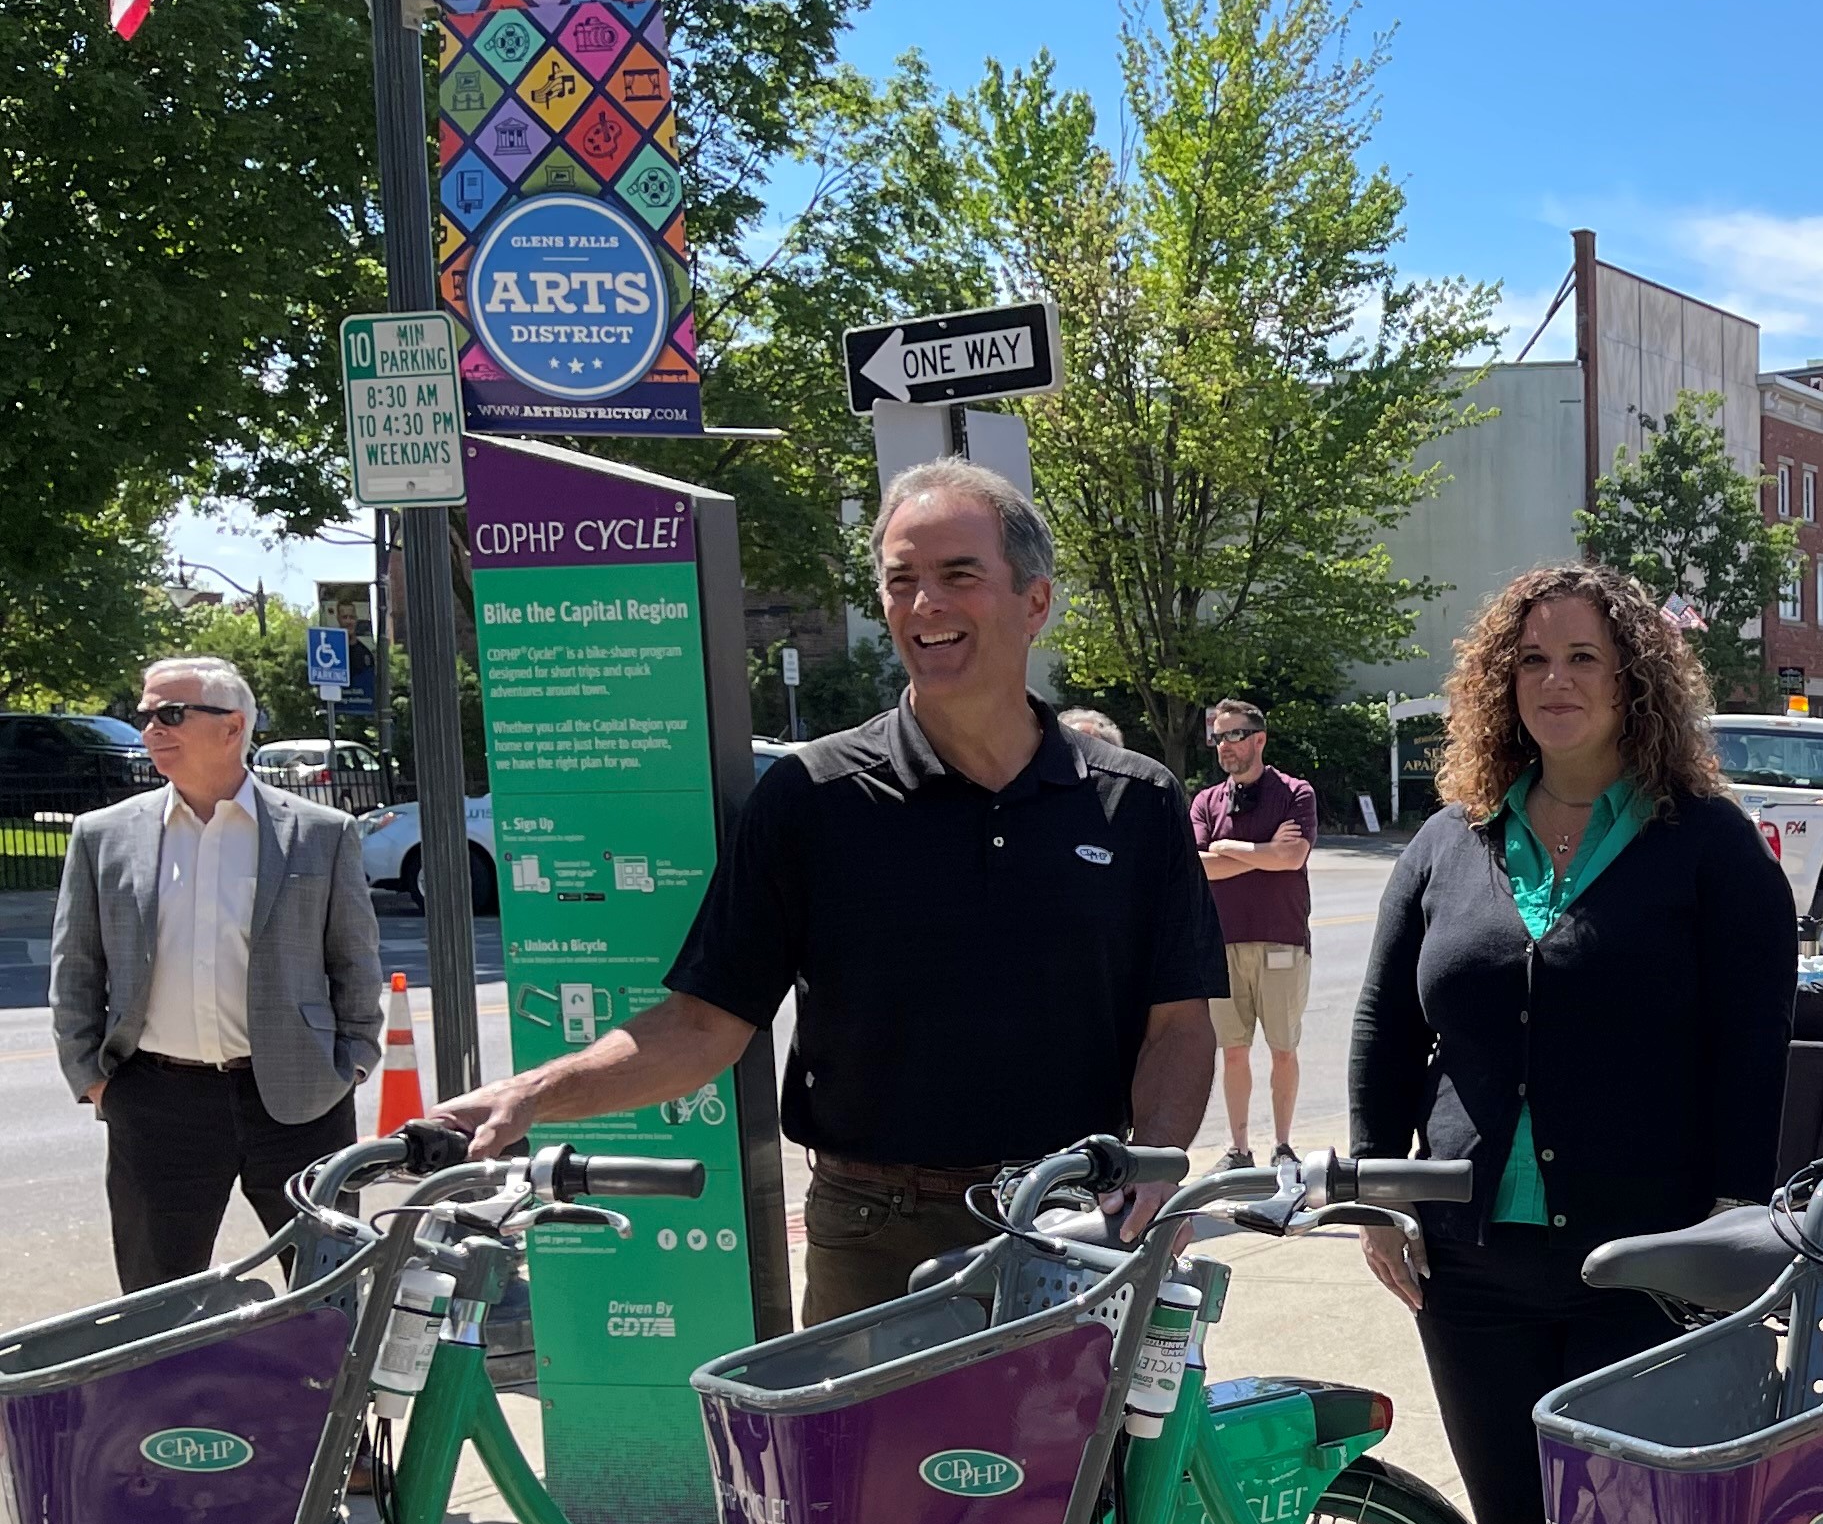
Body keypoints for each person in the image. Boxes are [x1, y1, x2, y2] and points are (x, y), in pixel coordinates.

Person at [432, 457, 1224, 1324]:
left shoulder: (1135, 799)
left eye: (959, 575)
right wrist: (535, 1095)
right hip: (873, 1233)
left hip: (1076, 1219)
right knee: (861, 1465)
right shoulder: (812, 798)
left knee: (1090, 1464)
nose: (925, 606)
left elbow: (1179, 1026)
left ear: (1035, 602)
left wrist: (1152, 1168)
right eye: (901, 582)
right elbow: (703, 1025)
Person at [1349, 564, 1793, 1524]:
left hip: (1641, 1270)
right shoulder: (1454, 838)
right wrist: (1376, 1188)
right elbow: (1383, 1025)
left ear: (1633, 681)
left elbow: (1750, 1038)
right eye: (1531, 659)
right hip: (1474, 1264)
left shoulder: (1704, 841)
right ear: (1501, 682)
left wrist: (1729, 1223)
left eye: (1584, 660)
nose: (1555, 681)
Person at [55, 656, 383, 1289]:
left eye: (170, 714)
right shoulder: (103, 835)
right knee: (156, 1308)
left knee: (329, 1295)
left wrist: (354, 1062)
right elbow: (76, 969)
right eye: (145, 715)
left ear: (232, 727)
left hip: (300, 1098)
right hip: (157, 1104)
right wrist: (95, 1081)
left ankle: (327, 1394)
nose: (151, 729)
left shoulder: (320, 833)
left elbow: (354, 962)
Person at [1194, 700, 1319, 1160]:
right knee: (1233, 1051)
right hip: (1223, 944)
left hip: (1282, 939)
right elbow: (1199, 866)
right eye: (1218, 738)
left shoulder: (1294, 793)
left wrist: (1227, 847)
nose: (1224, 745)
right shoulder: (1207, 801)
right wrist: (1259, 851)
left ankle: (1283, 1145)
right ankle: (1238, 1147)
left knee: (1283, 1049)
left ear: (1259, 739)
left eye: (1233, 735)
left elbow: (1291, 858)